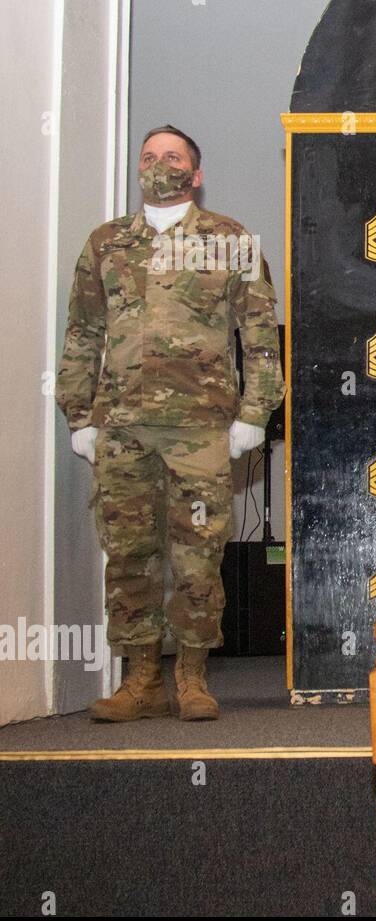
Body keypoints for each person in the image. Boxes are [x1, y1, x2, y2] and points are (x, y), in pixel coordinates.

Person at [57, 125, 285, 721]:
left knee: (197, 554)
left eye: (173, 157)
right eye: (150, 156)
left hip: (202, 431)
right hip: (122, 427)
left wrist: (254, 415)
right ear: (139, 168)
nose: (160, 165)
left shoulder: (229, 240)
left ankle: (190, 675)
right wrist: (79, 415)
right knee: (129, 554)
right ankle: (139, 680)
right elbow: (82, 334)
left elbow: (260, 338)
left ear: (196, 173)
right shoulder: (106, 243)